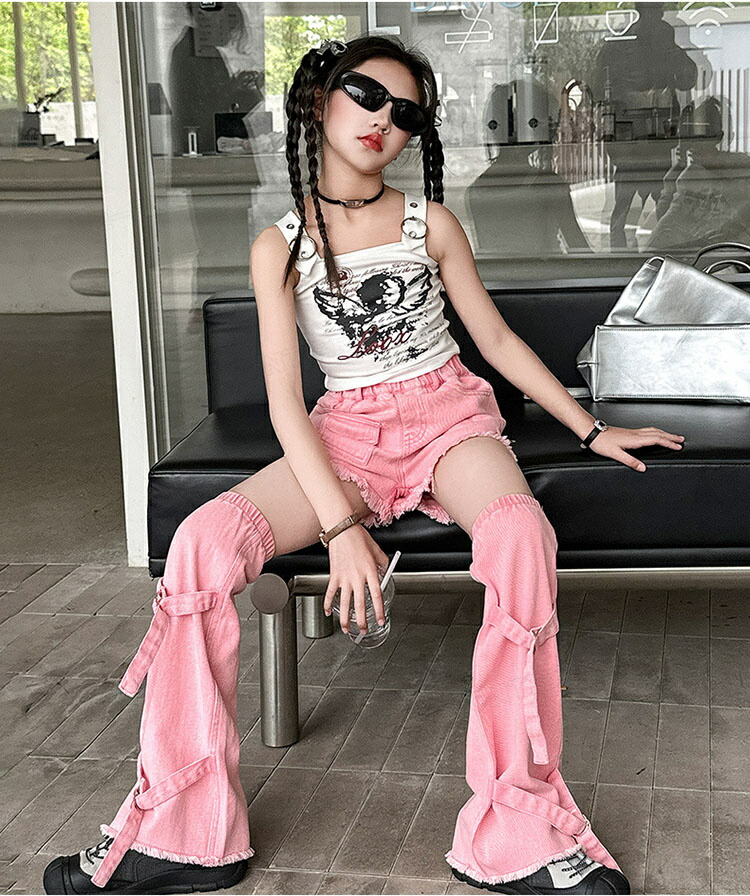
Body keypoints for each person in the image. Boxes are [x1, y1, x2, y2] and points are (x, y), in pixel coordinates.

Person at [43, 34, 687, 895]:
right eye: (367, 96)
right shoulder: (279, 246)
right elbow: (285, 403)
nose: (386, 120)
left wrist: (590, 427)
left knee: (520, 539)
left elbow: (495, 341)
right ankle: (181, 833)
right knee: (200, 545)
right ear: (319, 100)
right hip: (345, 435)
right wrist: (344, 528)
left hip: (449, 419)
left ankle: (517, 829)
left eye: (407, 112)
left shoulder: (432, 224)